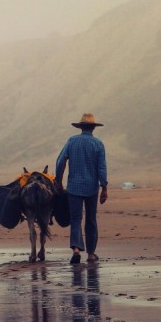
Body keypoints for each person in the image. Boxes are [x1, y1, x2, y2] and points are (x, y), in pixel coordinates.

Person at [55, 113, 108, 264]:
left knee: (76, 219)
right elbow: (102, 168)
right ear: (93, 128)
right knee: (91, 219)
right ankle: (91, 254)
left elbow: (60, 161)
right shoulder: (98, 144)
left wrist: (58, 181)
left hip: (74, 187)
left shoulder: (72, 141)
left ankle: (76, 249)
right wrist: (104, 187)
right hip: (92, 187)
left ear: (81, 127)